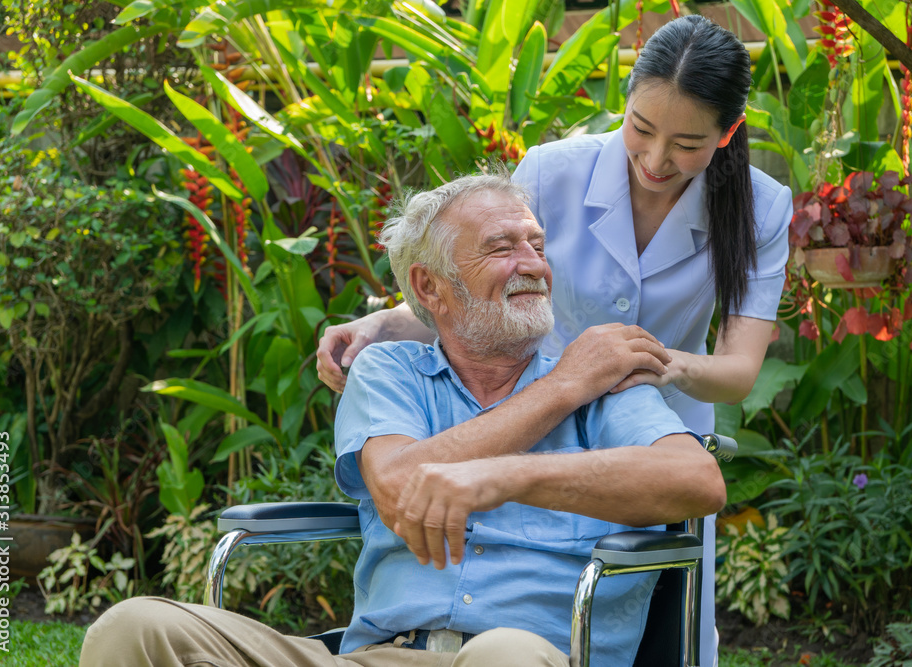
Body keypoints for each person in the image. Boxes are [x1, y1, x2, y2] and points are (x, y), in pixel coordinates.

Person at [79, 174, 726, 667]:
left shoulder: (603, 376)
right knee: (130, 630)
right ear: (432, 286)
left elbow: (696, 481)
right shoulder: (391, 372)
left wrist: (513, 476)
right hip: (376, 654)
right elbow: (397, 487)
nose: (533, 263)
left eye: (536, 243)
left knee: (502, 655)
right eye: (502, 247)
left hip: (532, 653)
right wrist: (558, 390)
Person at [315, 15, 792, 667]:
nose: (655, 160)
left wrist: (638, 362)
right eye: (641, 129)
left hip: (643, 423)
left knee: (670, 632)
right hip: (528, 386)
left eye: (686, 144)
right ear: (625, 102)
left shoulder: (761, 207)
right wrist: (378, 323)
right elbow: (481, 277)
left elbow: (738, 371)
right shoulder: (554, 168)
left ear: (728, 132)